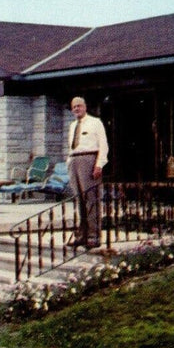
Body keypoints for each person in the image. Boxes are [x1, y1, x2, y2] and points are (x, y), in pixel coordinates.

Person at [67, 96, 108, 248]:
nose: (76, 109)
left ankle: (93, 236)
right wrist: (69, 162)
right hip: (74, 160)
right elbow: (71, 146)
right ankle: (81, 236)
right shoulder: (72, 126)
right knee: (79, 200)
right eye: (74, 107)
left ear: (85, 107)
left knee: (91, 199)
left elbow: (103, 145)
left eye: (79, 106)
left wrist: (99, 165)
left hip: (89, 160)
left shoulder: (95, 123)